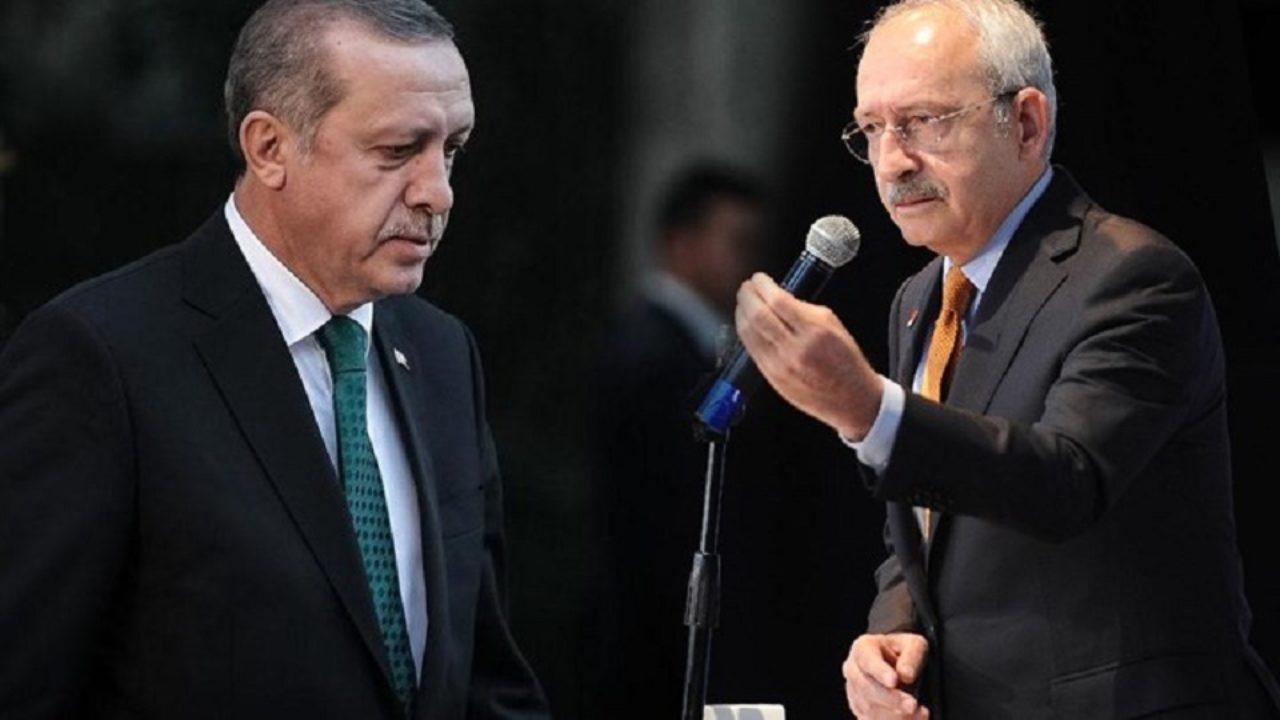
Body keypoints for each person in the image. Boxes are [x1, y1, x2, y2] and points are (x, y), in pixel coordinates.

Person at [0, 1, 549, 717]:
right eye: (396, 151)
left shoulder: (442, 353)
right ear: (269, 148)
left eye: (451, 150)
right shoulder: (99, 356)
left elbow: (485, 680)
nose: (437, 192)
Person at [733, 0, 1280, 717]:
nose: (893, 161)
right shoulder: (918, 298)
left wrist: (867, 409)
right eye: (872, 129)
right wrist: (892, 629)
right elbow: (931, 518)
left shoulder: (1134, 277)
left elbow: (1064, 482)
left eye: (924, 121)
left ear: (1024, 122)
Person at [590, 163, 764, 717]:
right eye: (736, 242)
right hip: (655, 636)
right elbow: (653, 517)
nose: (749, 262)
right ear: (680, 244)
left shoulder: (690, 347)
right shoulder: (651, 354)